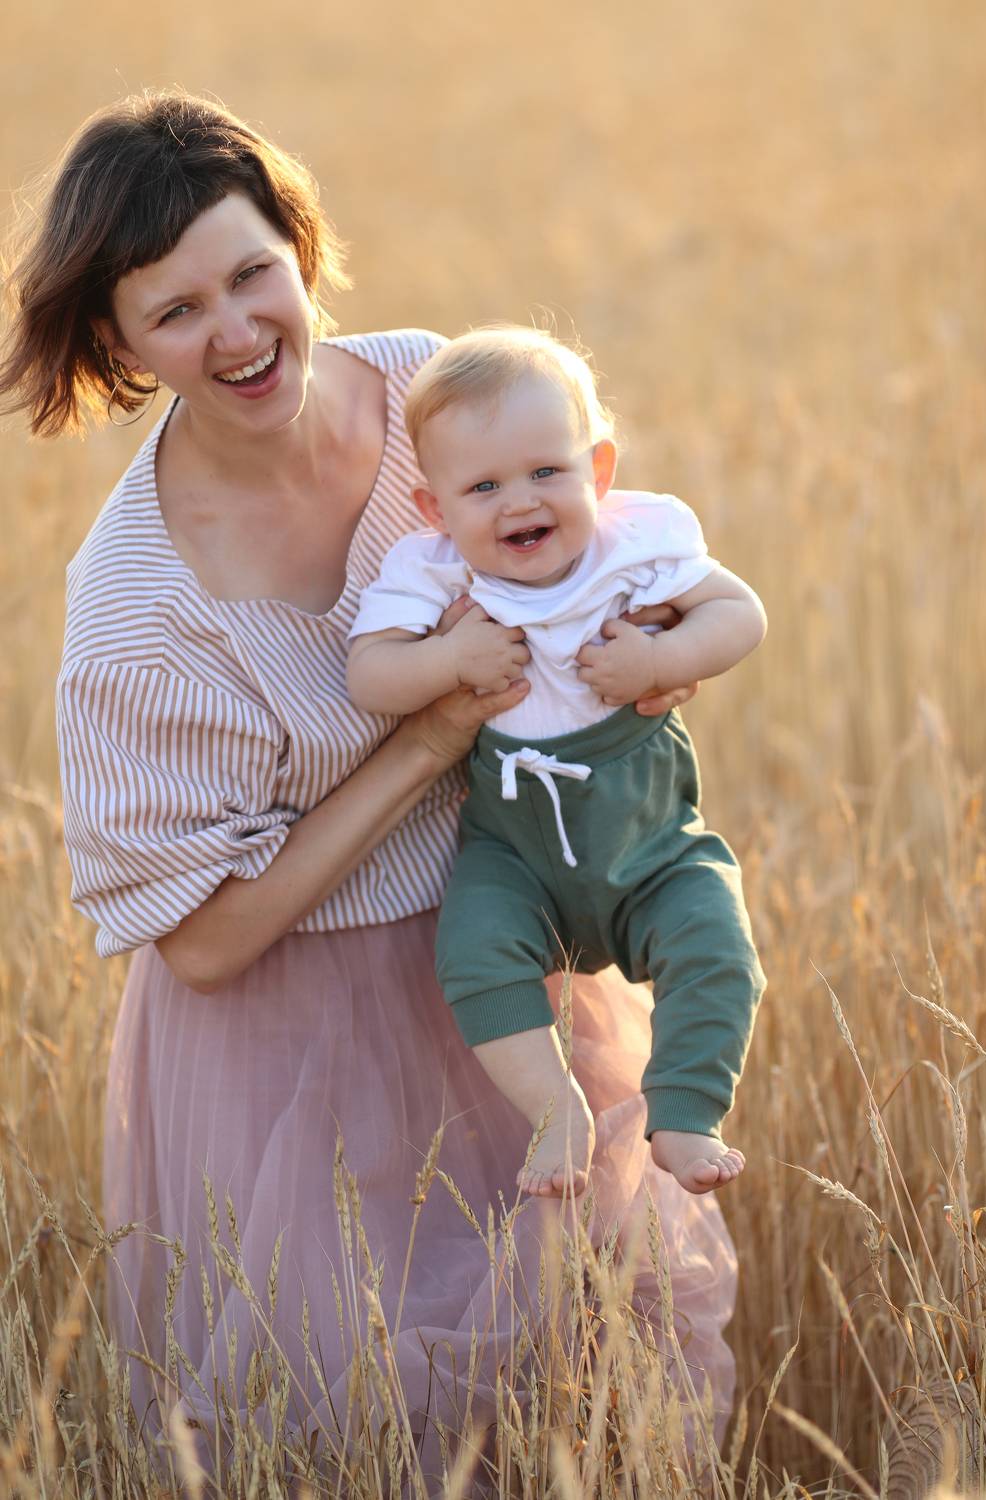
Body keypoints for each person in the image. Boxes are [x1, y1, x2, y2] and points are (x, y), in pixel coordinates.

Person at [0, 92, 740, 1476]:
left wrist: (637, 654)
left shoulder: (424, 396)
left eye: (251, 273)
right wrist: (426, 744)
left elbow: (584, 548)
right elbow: (203, 943)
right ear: (116, 340)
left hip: (505, 965)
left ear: (298, 246)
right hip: (292, 1051)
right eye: (175, 312)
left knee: (578, 1384)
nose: (236, 331)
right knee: (363, 1425)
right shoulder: (135, 609)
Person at [346, 327, 767, 1202]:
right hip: (515, 849)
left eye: (545, 471)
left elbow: (739, 614)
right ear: (434, 509)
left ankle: (686, 1108)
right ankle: (554, 1112)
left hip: (649, 841)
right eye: (483, 487)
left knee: (716, 943)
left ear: (597, 471)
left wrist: (662, 659)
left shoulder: (635, 544)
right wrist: (448, 660)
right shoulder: (433, 571)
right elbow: (370, 675)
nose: (518, 503)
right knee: (473, 951)